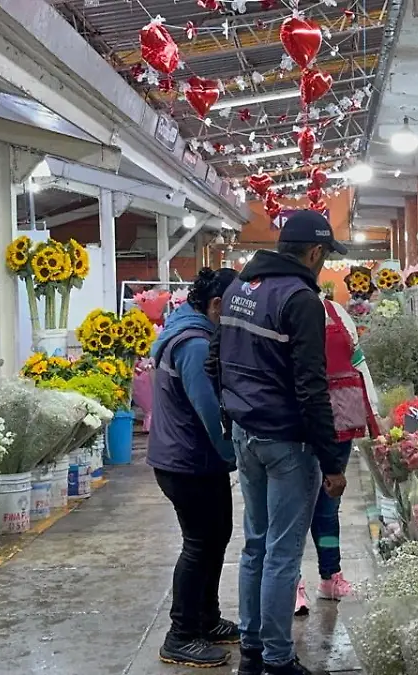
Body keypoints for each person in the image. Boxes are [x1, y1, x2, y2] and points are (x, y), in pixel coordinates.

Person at [207, 210, 348, 675]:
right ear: (313, 253)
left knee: (256, 545)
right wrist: (332, 461)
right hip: (288, 442)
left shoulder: (237, 290)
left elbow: (217, 361)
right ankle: (277, 657)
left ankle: (251, 643)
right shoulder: (301, 298)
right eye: (325, 256)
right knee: (283, 553)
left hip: (247, 435)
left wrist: (230, 418)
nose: (323, 265)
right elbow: (312, 387)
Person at [147, 267, 241, 669]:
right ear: (217, 305)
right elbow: (209, 410)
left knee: (216, 537)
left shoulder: (184, 329)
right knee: (200, 544)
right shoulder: (196, 345)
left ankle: (206, 618)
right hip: (187, 461)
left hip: (191, 459)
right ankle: (181, 634)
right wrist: (234, 455)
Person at [294, 296, 380, 616]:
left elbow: (358, 363)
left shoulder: (335, 310)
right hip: (301, 424)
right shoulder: (283, 310)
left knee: (328, 509)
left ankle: (330, 576)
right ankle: (293, 582)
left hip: (343, 419)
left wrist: (374, 418)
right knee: (295, 511)